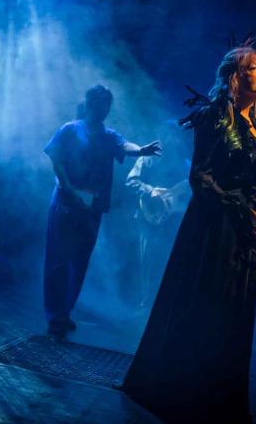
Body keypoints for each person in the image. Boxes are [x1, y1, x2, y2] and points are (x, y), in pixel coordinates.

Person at [122, 44, 256, 423]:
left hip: (245, 227)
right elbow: (200, 177)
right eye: (253, 68)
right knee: (208, 300)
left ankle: (221, 388)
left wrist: (252, 216)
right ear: (233, 77)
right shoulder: (211, 117)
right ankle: (186, 386)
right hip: (215, 224)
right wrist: (237, 210)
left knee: (235, 307)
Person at [43, 84, 162, 337]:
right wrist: (67, 187)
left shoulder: (109, 136)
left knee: (79, 261)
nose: (102, 109)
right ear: (88, 104)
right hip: (66, 204)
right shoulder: (69, 129)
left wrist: (141, 150)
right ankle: (55, 315)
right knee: (58, 260)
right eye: (98, 103)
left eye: (106, 104)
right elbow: (56, 158)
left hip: (92, 207)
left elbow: (125, 145)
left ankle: (64, 312)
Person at [125, 120, 191, 309]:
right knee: (147, 260)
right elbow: (130, 181)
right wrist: (150, 190)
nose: (170, 139)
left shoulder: (185, 164)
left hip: (172, 219)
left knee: (168, 260)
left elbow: (189, 192)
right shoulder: (147, 159)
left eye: (173, 136)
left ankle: (164, 304)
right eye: (166, 135)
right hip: (148, 216)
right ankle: (145, 304)